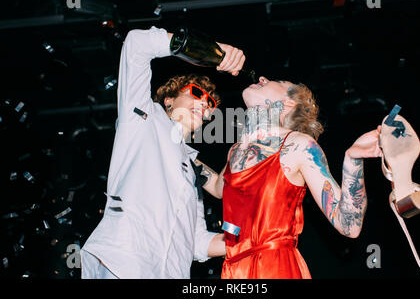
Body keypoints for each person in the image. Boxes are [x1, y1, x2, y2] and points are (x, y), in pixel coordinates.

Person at [80, 26, 246, 279]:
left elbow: (197, 241)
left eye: (210, 104)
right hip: (125, 264)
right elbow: (136, 44)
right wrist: (212, 53)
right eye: (197, 94)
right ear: (169, 101)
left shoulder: (191, 168)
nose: (204, 104)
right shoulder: (142, 117)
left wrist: (251, 242)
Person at [205, 76, 382, 278]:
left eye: (278, 82)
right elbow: (218, 188)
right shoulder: (236, 151)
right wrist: (177, 151)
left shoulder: (299, 145)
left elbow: (349, 226)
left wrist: (353, 160)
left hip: (275, 267)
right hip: (234, 271)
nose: (262, 78)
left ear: (288, 103)